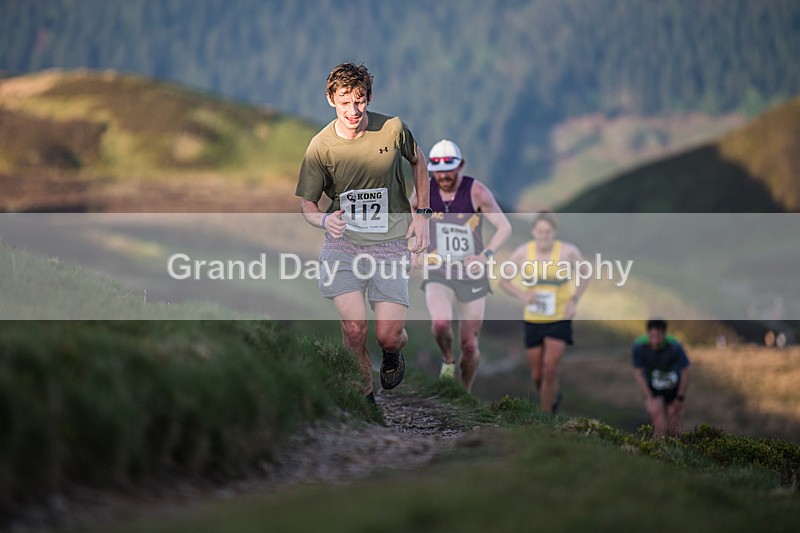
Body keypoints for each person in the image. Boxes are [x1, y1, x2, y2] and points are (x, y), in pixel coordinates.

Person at [295, 63, 431, 404]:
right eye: (344, 102)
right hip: (343, 245)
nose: (353, 111)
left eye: (359, 101)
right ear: (331, 100)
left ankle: (393, 348)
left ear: (368, 97)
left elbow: (419, 162)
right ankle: (364, 398)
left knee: (387, 335)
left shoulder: (393, 129)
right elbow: (308, 207)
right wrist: (325, 222)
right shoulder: (320, 147)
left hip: (390, 243)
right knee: (355, 329)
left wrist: (424, 215)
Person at [410, 139, 511, 391]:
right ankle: (447, 359)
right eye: (438, 171)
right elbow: (412, 207)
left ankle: (463, 392)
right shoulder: (425, 190)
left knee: (469, 345)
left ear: (460, 166)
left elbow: (504, 227)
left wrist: (484, 256)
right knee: (441, 323)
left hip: (471, 274)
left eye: (449, 170)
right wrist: (418, 240)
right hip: (438, 270)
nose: (443, 176)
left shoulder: (476, 192)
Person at [499, 213, 589, 412]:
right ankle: (552, 396)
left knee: (550, 368)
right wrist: (522, 296)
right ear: (533, 232)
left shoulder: (568, 252)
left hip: (560, 316)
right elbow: (503, 281)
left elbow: (585, 274)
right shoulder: (523, 253)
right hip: (533, 317)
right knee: (538, 375)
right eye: (540, 231)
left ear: (554, 232)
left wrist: (574, 300)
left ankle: (546, 416)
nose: (544, 236)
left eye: (548, 232)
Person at [631, 319, 691, 438]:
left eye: (659, 336)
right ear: (648, 333)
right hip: (654, 389)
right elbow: (638, 373)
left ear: (664, 334)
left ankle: (679, 452)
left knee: (675, 428)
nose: (656, 339)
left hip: (673, 389)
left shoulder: (675, 346)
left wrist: (680, 397)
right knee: (658, 426)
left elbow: (686, 370)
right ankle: (658, 453)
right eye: (652, 335)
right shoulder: (638, 346)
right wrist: (649, 398)